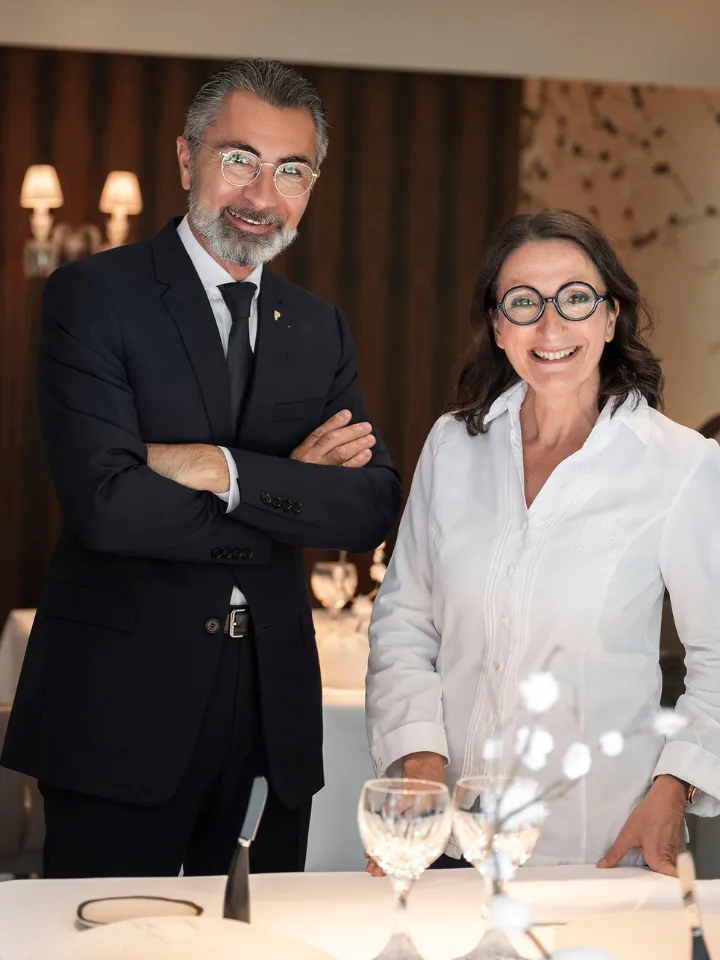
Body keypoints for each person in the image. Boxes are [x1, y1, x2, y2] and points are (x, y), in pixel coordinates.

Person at [2, 58, 401, 879]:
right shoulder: (94, 295)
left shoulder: (318, 328)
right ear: (187, 160)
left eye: (292, 170)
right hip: (119, 705)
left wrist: (222, 468)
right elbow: (109, 507)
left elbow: (366, 507)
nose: (263, 195)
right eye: (238, 159)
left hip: (270, 713)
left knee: (263, 940)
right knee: (105, 942)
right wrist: (289, 483)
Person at [366, 209, 720, 875]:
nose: (551, 326)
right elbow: (404, 621)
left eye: (576, 299)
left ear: (610, 318)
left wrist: (677, 790)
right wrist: (417, 765)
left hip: (598, 850)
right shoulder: (453, 445)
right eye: (524, 303)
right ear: (498, 326)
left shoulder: (681, 465)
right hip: (448, 844)